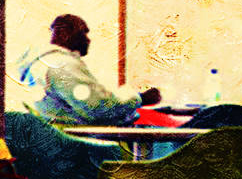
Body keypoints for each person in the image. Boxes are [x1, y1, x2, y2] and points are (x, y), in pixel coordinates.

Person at [17, 14, 162, 125]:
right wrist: (141, 98)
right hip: (71, 144)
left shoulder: (39, 63)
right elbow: (97, 109)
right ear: (64, 34)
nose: (88, 39)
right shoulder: (62, 65)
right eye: (83, 33)